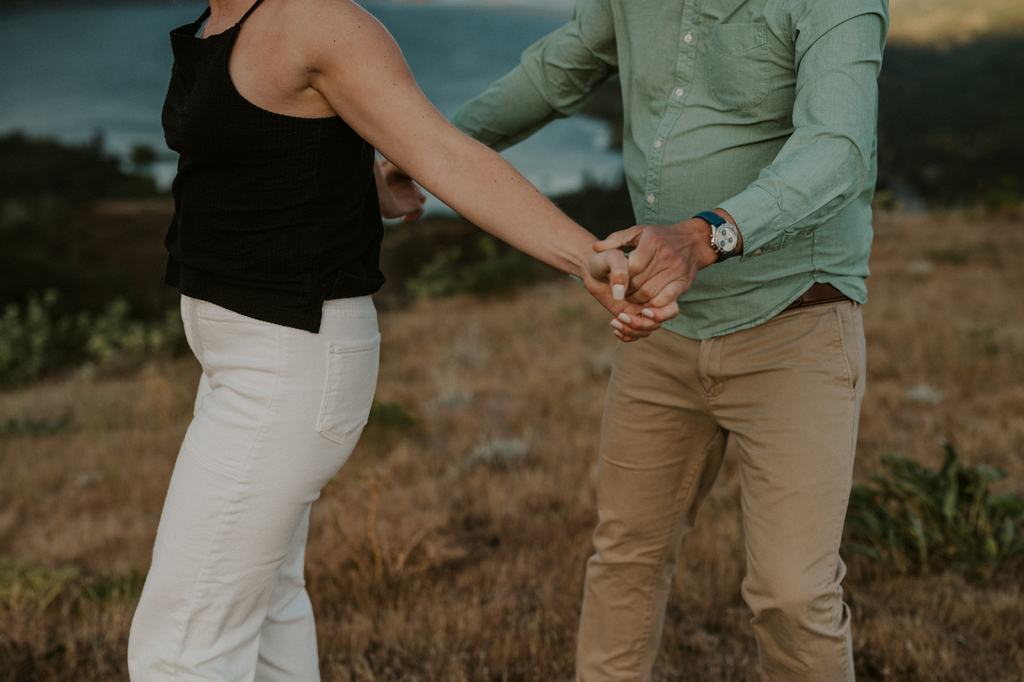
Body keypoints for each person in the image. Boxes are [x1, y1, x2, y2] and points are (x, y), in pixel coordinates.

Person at [126, 0, 678, 679]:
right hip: (241, 356)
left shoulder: (319, 21)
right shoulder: (221, 18)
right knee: (265, 610)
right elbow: (269, 159)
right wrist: (361, 183)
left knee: (180, 644)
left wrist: (582, 257)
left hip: (289, 365)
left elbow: (444, 154)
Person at [445, 0, 888, 679]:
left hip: (796, 322)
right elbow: (555, 71)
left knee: (792, 594)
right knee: (626, 559)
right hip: (663, 327)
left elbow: (838, 150)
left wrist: (706, 234)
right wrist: (426, 151)